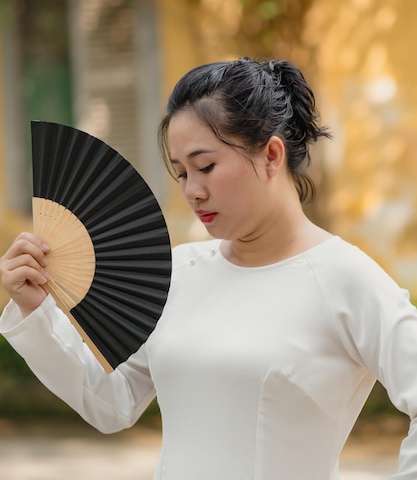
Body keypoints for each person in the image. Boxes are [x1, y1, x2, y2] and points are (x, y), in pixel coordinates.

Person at [1, 56, 417, 480]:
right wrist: (37, 310)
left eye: (206, 167)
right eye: (180, 173)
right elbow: (113, 402)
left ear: (272, 155)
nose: (192, 191)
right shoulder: (178, 272)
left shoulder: (343, 278)